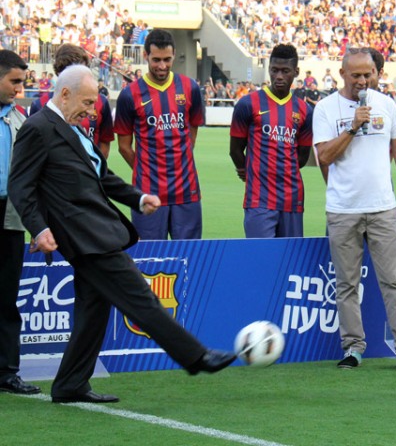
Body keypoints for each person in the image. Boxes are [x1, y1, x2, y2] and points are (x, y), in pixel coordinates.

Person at [8, 65, 235, 404]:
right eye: (86, 102)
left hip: (97, 232)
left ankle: (70, 384)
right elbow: (20, 186)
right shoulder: (37, 129)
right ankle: (195, 356)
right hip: (85, 237)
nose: (91, 110)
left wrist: (139, 197)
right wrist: (39, 228)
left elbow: (102, 175)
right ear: (65, 94)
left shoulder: (75, 129)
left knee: (93, 309)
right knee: (140, 296)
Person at [312, 48, 396, 372]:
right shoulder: (325, 109)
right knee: (346, 284)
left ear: (376, 73)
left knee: (393, 281)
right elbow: (325, 157)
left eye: (368, 74)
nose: (363, 80)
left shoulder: (386, 104)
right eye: (356, 74)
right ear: (342, 73)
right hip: (343, 210)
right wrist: (352, 127)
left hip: (382, 208)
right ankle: (352, 347)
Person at [114, 29, 205, 240]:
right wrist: (146, 169)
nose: (162, 66)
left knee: (189, 255)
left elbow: (192, 130)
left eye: (167, 59)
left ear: (174, 55)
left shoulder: (190, 88)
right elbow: (124, 146)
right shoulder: (130, 95)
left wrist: (181, 160)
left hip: (186, 189)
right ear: (146, 56)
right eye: (156, 60)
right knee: (150, 257)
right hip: (148, 191)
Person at [229, 44, 313, 238]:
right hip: (259, 200)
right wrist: (248, 172)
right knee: (261, 260)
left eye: (285, 71)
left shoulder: (304, 111)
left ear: (296, 72)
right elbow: (235, 150)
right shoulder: (247, 104)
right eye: (274, 70)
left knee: (290, 262)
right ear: (269, 70)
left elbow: (301, 157)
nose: (279, 76)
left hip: (292, 199)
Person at [0, 50, 41, 396]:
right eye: (14, 81)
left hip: (10, 217)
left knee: (6, 297)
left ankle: (7, 373)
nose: (19, 88)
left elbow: (31, 177)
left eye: (21, 81)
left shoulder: (19, 119)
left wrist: (37, 223)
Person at [29, 43, 113, 158]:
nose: (79, 76)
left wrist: (95, 170)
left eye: (82, 70)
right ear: (59, 72)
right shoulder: (39, 105)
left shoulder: (101, 102)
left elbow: (105, 141)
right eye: (73, 71)